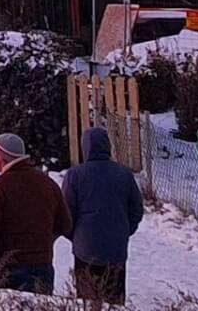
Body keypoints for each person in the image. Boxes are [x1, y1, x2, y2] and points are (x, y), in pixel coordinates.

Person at [0, 132, 71, 294]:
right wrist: (43, 242)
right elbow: (65, 224)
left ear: (4, 158)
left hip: (9, 268)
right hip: (43, 268)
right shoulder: (48, 184)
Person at [60, 126, 143, 305]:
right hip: (116, 249)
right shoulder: (124, 174)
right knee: (114, 300)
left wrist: (75, 236)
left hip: (85, 249)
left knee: (87, 300)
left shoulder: (74, 175)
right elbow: (136, 209)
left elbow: (65, 213)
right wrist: (124, 230)